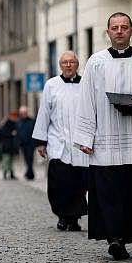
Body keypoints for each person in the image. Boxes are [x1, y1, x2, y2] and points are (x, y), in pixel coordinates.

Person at [72, 12, 132, 260]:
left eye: (124, 27)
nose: (119, 31)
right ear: (108, 32)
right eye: (115, 27)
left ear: (131, 31)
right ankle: (113, 238)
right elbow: (86, 100)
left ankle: (126, 236)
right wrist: (85, 137)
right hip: (105, 139)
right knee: (107, 192)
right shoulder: (96, 62)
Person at [32, 51, 89, 232]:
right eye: (65, 62)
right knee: (59, 184)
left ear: (77, 64)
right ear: (60, 65)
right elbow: (44, 113)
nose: (68, 65)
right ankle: (62, 216)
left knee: (78, 185)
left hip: (80, 144)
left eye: (72, 62)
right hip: (58, 142)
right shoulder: (51, 85)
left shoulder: (86, 85)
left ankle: (74, 219)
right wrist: (41, 141)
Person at [0, 111, 19, 180]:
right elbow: (2, 133)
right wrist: (11, 134)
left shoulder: (14, 123)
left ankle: (11, 174)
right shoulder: (7, 124)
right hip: (7, 146)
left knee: (11, 160)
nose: (15, 118)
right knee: (6, 160)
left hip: (11, 146)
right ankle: (6, 174)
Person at [17, 106, 36, 180]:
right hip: (23, 144)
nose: (23, 114)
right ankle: (30, 173)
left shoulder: (31, 121)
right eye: (22, 113)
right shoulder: (18, 122)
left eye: (24, 113)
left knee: (30, 158)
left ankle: (29, 173)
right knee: (26, 159)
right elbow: (18, 133)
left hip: (30, 144)